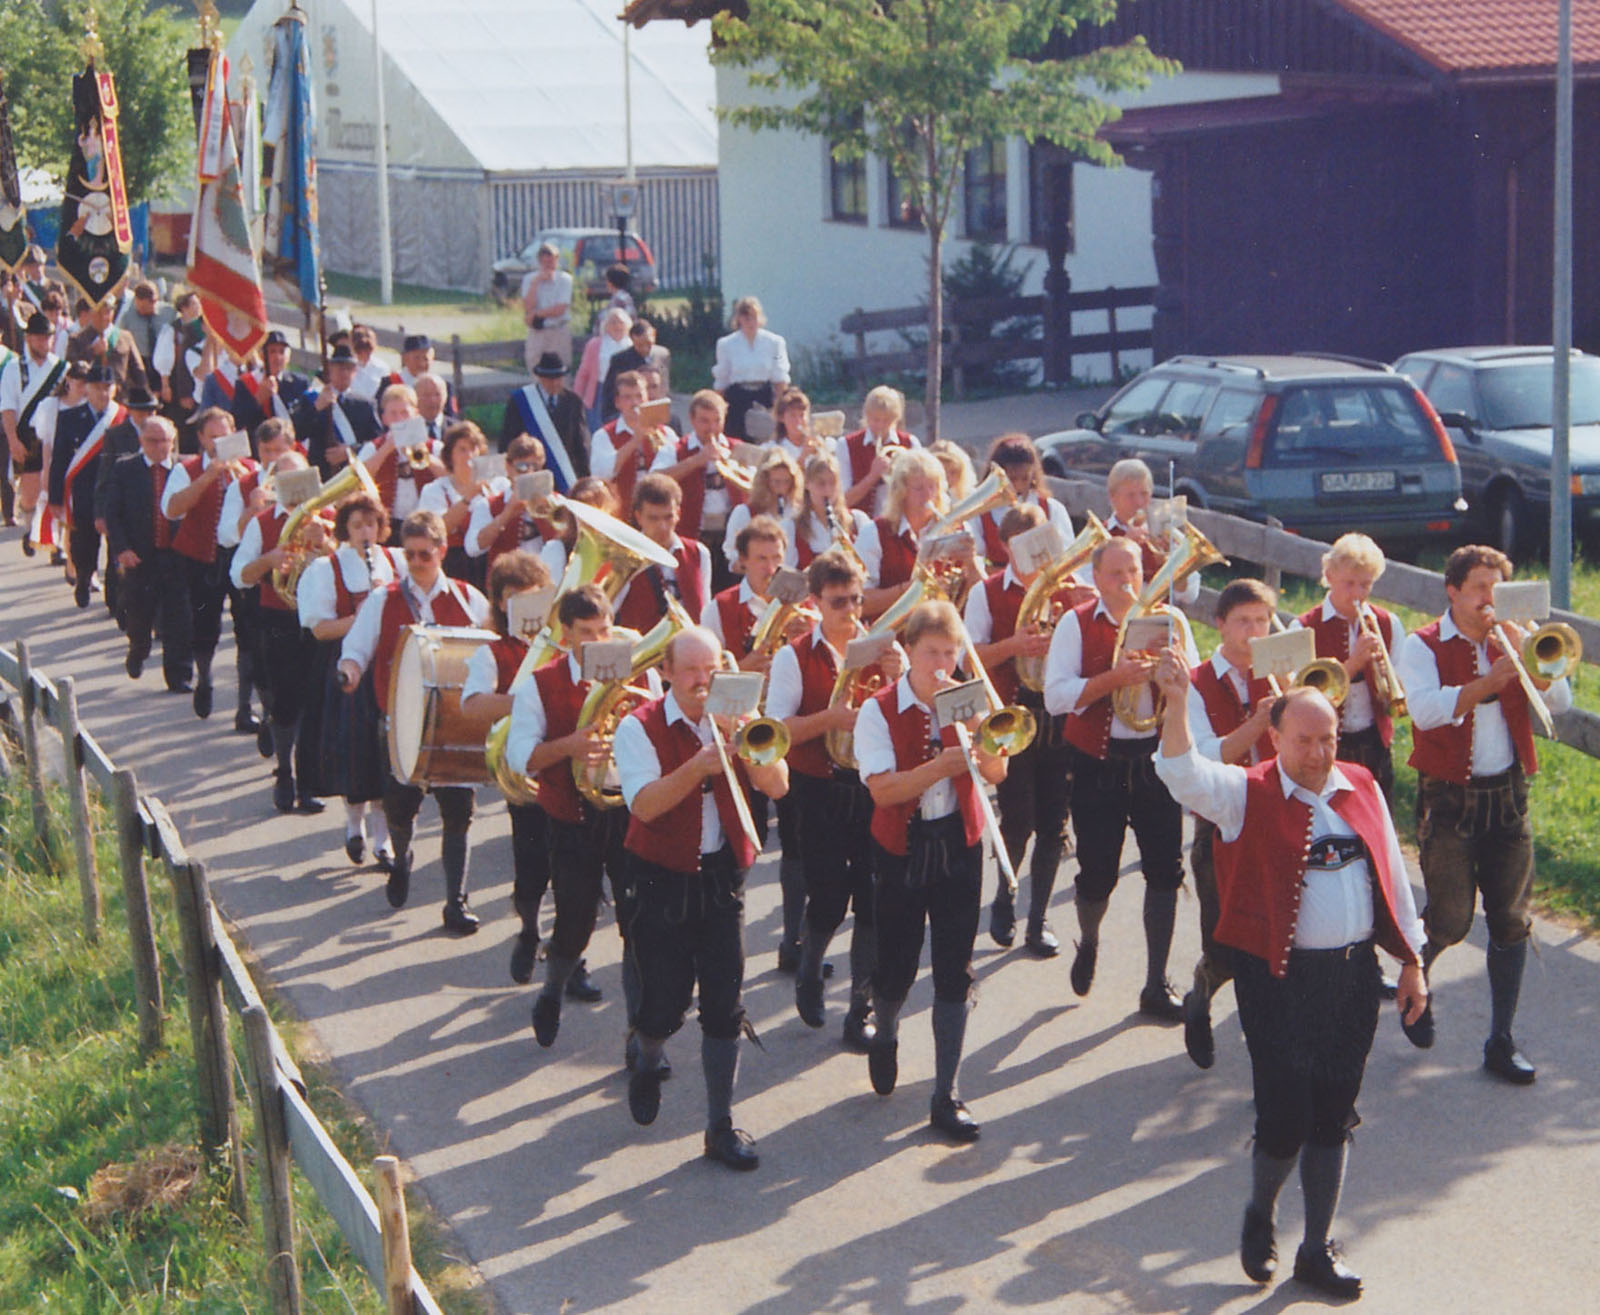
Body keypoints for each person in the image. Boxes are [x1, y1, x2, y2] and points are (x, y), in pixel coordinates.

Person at [1153, 667, 1427, 1301]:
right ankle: (1260, 1209)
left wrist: (1412, 961)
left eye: (1328, 738)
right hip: (1276, 979)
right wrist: (1173, 706)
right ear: (1274, 738)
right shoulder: (1243, 792)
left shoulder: (1359, 784)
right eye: (1304, 740)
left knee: (1334, 1113)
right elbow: (1182, 773)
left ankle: (1316, 1249)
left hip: (1354, 976)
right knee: (1285, 1117)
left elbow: (1390, 869)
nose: (1319, 753)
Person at [1395, 544, 1573, 1084]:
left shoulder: (1514, 637)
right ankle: (1415, 981)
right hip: (1449, 800)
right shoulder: (1422, 644)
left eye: (1497, 589)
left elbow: (1559, 703)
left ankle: (1501, 1039)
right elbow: (1425, 710)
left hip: (1508, 795)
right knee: (1449, 919)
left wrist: (1534, 663)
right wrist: (1491, 682)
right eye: (1479, 589)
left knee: (1512, 921)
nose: (1489, 601)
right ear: (1452, 590)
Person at [615, 626, 790, 1170]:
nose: (701, 681)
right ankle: (646, 1056)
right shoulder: (637, 726)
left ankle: (719, 1125)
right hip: (661, 879)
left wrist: (749, 744)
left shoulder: (736, 718)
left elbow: (778, 785)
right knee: (663, 1004)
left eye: (710, 670)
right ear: (665, 672)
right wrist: (697, 767)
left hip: (721, 879)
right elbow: (644, 805)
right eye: (690, 671)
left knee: (724, 1004)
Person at [855, 600, 1007, 1141]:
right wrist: (939, 766)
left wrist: (979, 734)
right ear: (909, 654)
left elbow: (998, 770)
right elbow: (882, 790)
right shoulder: (877, 709)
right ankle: (887, 1028)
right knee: (895, 966)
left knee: (954, 968)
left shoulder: (969, 699)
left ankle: (947, 1093)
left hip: (958, 844)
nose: (942, 664)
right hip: (901, 845)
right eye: (931, 653)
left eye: (950, 652)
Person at [1043, 535, 1199, 1020]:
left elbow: (1195, 689)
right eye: (1116, 574)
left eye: (1134, 572)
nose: (1128, 582)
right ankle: (1089, 938)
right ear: (1096, 579)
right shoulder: (1076, 622)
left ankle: (1156, 981)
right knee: (1097, 873)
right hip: (1098, 763)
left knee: (1165, 870)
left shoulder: (1169, 621)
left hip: (1156, 760)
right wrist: (1115, 679)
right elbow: (1054, 697)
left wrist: (1174, 675)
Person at [501, 583, 649, 1046]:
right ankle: (553, 987)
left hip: (626, 812)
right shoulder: (539, 684)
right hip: (571, 816)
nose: (599, 643)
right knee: (575, 921)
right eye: (587, 633)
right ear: (566, 635)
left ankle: (639, 1036)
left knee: (639, 922)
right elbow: (520, 757)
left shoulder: (637, 675)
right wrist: (570, 746)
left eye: (605, 631)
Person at [767, 550, 902, 1049]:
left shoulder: (881, 647)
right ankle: (808, 964)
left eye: (857, 600)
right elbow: (777, 729)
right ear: (816, 603)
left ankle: (859, 1010)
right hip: (817, 788)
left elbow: (909, 713)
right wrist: (831, 719)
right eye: (838, 602)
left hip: (869, 788)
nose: (851, 611)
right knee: (827, 895)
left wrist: (898, 678)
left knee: (871, 902)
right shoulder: (794, 655)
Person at [338, 509, 491, 933]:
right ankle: (402, 859)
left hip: (456, 724)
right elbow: (356, 648)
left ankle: (455, 902)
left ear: (442, 551)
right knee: (401, 811)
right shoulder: (383, 599)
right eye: (410, 554)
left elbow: (493, 649)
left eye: (425, 553)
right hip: (401, 723)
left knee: (459, 814)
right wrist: (350, 670)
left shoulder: (467, 597)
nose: (418, 562)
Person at [965, 504, 1090, 957]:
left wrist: (1083, 611)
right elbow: (969, 659)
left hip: (1057, 715)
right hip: (1012, 712)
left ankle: (1037, 920)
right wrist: (1014, 646)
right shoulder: (988, 592)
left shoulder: (1070, 589)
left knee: (1054, 823)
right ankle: (1005, 896)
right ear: (1008, 548)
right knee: (1017, 819)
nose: (1039, 556)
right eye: (1027, 546)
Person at [1179, 578, 1279, 1069]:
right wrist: (1258, 725)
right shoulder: (1196, 683)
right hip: (1220, 823)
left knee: (1275, 943)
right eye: (1243, 621)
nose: (1254, 631)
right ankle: (1200, 991)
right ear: (1219, 625)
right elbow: (1204, 758)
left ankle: (1270, 1052)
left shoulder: (1282, 669)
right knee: (1224, 948)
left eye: (1262, 621)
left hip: (1276, 816)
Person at [297, 493, 399, 867]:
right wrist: (366, 615)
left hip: (387, 667)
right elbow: (321, 629)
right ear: (345, 530)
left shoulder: (395, 561)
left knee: (387, 754)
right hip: (346, 666)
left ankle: (383, 840)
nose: (366, 532)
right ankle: (353, 827)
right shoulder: (326, 569)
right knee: (355, 752)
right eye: (357, 525)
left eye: (371, 524)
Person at [232, 448, 329, 814]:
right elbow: (239, 573)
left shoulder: (330, 518)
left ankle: (307, 784)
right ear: (274, 485)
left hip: (320, 618)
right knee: (286, 702)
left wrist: (327, 543)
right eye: (286, 481)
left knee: (313, 701)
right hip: (278, 617)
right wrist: (269, 560)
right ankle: (285, 772)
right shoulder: (263, 522)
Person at [1291, 533, 1404, 804]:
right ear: (1329, 577)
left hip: (1374, 740)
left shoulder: (1388, 623)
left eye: (1365, 585)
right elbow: (1298, 695)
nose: (1357, 594)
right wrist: (1353, 664)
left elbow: (1400, 684)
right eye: (1349, 584)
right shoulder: (1304, 626)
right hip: (1324, 745)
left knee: (1376, 814)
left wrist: (1385, 675)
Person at [161, 406, 255, 718]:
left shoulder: (251, 469)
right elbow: (171, 510)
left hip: (240, 556)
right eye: (213, 437)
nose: (219, 442)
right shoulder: (185, 469)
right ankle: (204, 678)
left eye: (225, 435)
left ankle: (244, 707)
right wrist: (208, 476)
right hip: (201, 556)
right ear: (201, 438)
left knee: (247, 629)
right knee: (205, 626)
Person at [103, 416, 193, 690]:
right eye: (153, 441)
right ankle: (138, 650)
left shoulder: (185, 468)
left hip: (177, 555)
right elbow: (113, 513)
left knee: (180, 617)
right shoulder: (125, 469)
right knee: (140, 616)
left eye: (165, 441)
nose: (160, 447)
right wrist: (122, 549)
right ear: (141, 441)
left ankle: (179, 675)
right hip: (140, 556)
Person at [221, 419, 297, 740]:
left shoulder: (306, 481)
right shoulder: (242, 485)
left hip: (295, 581)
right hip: (254, 573)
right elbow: (226, 536)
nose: (273, 458)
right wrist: (252, 511)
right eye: (267, 452)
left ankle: (273, 713)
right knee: (250, 643)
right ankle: (247, 708)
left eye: (280, 450)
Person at [856, 447, 980, 619]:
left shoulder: (958, 529)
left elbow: (983, 598)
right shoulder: (874, 533)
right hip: (893, 639)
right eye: (919, 488)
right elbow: (860, 601)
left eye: (933, 487)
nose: (928, 495)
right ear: (901, 492)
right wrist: (911, 590)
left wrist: (972, 563)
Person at [46, 362, 122, 608]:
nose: (102, 393)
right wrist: (56, 499)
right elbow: (59, 460)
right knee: (84, 546)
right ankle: (83, 577)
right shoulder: (69, 418)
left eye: (107, 387)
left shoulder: (122, 418)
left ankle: (115, 599)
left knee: (116, 548)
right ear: (86, 389)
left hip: (115, 494)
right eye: (97, 387)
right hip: (84, 494)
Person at [92, 383, 159, 622]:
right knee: (117, 557)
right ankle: (116, 604)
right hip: (121, 503)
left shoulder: (163, 431)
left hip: (151, 505)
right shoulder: (115, 435)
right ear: (130, 411)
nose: (146, 417)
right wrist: (100, 512)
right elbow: (105, 473)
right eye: (141, 412)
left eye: (151, 412)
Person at [2, 311, 66, 556]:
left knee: (53, 489)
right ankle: (31, 527)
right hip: (26, 436)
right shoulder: (13, 368)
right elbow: (7, 407)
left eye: (47, 338)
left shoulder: (61, 368)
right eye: (38, 338)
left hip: (54, 436)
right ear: (28, 338)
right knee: (29, 495)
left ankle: (55, 543)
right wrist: (12, 440)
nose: (43, 342)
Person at [613, 474, 712, 633]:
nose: (663, 526)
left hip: (688, 648)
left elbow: (705, 611)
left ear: (678, 514)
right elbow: (609, 611)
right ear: (638, 517)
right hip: (642, 652)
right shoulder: (624, 557)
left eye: (668, 517)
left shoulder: (699, 552)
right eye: (653, 518)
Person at [1095, 457, 1200, 607]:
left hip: (1159, 623)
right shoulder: (1100, 535)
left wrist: (1170, 564)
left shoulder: (1166, 531)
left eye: (1144, 494)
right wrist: (1123, 545)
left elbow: (1191, 595)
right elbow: (1089, 586)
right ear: (1113, 497)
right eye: (1130, 495)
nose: (1139, 502)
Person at [969, 434, 1075, 569]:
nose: (1018, 486)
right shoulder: (980, 511)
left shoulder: (1052, 508)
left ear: (1033, 474)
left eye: (1025, 478)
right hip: (999, 585)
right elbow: (976, 556)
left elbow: (1066, 553)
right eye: (1012, 479)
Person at [649, 388, 736, 548]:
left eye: (717, 420)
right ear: (692, 419)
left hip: (730, 537)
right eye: (705, 421)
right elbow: (654, 481)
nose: (712, 427)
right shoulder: (674, 449)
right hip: (692, 536)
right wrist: (697, 460)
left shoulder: (737, 449)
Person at [356, 383, 445, 535]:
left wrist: (422, 453)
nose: (399, 419)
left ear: (416, 414)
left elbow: (450, 476)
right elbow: (360, 479)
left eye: (405, 413)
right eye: (393, 414)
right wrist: (385, 449)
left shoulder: (434, 446)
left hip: (426, 523)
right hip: (388, 524)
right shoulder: (373, 447)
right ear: (384, 418)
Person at [465, 434, 557, 575]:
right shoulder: (489, 504)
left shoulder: (556, 501)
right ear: (508, 467)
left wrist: (547, 514)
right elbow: (472, 548)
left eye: (536, 467)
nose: (529, 472)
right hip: (506, 585)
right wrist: (506, 514)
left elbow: (569, 545)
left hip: (545, 582)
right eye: (522, 466)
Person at [417, 420, 493, 586]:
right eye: (462, 450)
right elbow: (437, 530)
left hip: (488, 566)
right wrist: (467, 498)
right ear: (450, 455)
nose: (469, 455)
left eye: (473, 449)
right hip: (452, 567)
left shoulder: (494, 486)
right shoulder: (434, 490)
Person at [589, 370, 672, 513]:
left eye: (639, 396)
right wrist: (635, 441)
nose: (635, 403)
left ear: (647, 398)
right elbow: (601, 474)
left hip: (657, 514)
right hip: (621, 514)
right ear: (617, 402)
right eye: (627, 397)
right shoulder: (603, 436)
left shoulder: (667, 433)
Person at [292, 344, 382, 476]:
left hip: (354, 472)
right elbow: (297, 433)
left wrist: (350, 451)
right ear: (329, 369)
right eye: (340, 367)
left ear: (355, 371)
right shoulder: (312, 399)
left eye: (349, 368)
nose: (345, 373)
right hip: (321, 472)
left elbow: (377, 441)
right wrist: (316, 408)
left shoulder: (365, 404)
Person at [501, 351, 589, 477]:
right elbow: (508, 440)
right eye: (549, 379)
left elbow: (580, 443)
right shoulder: (521, 401)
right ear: (540, 378)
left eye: (558, 378)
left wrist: (584, 475)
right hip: (531, 472)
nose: (554, 383)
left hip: (565, 473)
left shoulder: (573, 401)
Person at [713, 296, 790, 440]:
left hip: (765, 397)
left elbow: (780, 376)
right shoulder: (726, 344)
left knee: (768, 441)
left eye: (754, 317)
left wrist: (779, 407)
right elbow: (721, 379)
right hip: (737, 399)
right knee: (738, 443)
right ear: (739, 319)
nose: (751, 322)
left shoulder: (775, 342)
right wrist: (717, 408)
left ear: (760, 318)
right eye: (746, 318)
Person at [839, 385, 918, 516]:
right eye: (875, 420)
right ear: (866, 416)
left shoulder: (910, 443)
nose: (880, 425)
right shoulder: (846, 445)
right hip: (860, 526)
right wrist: (872, 476)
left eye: (887, 420)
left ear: (895, 419)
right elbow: (843, 501)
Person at [789, 450, 870, 571]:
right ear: (807, 484)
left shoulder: (858, 520)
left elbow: (869, 571)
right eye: (821, 483)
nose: (828, 490)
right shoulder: (791, 526)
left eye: (833, 483)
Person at [720, 448, 799, 571]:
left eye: (787, 482)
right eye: (776, 482)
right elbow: (733, 558)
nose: (782, 489)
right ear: (764, 482)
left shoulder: (796, 512)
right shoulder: (744, 512)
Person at [231, 330, 311, 436]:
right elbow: (237, 421)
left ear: (288, 357)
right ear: (262, 356)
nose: (277, 357)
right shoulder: (245, 383)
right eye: (272, 351)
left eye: (281, 352)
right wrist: (258, 399)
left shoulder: (299, 383)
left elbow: (305, 420)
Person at [70, 296, 147, 399]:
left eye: (108, 312)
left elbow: (138, 371)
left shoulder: (125, 337)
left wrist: (145, 396)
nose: (104, 317)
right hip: (87, 400)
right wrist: (92, 352)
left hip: (118, 400)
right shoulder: (77, 339)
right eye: (100, 312)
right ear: (91, 313)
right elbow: (71, 370)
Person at [150, 291, 205, 428]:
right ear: (183, 308)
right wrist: (165, 385)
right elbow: (164, 358)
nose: (198, 306)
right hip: (178, 382)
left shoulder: (203, 328)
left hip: (198, 381)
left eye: (198, 303)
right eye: (194, 303)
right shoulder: (172, 330)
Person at [574, 307, 632, 430]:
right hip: (600, 390)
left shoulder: (631, 345)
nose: (617, 326)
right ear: (606, 325)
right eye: (613, 322)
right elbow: (583, 373)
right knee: (598, 427)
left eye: (620, 322)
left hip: (626, 390)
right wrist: (576, 397)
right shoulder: (595, 345)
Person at [521, 241, 574, 372]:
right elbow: (528, 306)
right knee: (535, 367)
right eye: (545, 261)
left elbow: (559, 309)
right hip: (537, 331)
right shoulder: (529, 279)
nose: (549, 264)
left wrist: (535, 314)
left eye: (552, 261)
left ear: (557, 259)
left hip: (558, 330)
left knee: (562, 369)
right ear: (540, 261)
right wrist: (536, 283)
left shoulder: (564, 279)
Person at [115, 279, 173, 364]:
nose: (139, 310)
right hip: (139, 361)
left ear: (154, 302)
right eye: (137, 305)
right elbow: (118, 340)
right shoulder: (127, 316)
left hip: (163, 362)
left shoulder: (169, 313)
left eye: (143, 307)